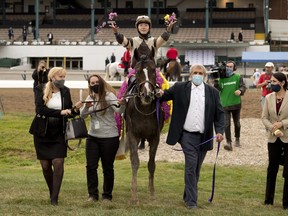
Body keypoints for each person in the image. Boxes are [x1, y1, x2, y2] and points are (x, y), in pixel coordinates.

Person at [160, 64, 225, 209]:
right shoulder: (179, 87)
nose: (197, 75)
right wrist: (157, 92)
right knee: (191, 166)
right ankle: (191, 202)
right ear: (190, 75)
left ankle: (186, 195)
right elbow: (164, 96)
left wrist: (220, 131)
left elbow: (219, 114)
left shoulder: (213, 92)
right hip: (186, 136)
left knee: (196, 169)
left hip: (204, 136)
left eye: (200, 73)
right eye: (195, 72)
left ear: (205, 76)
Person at [31, 67, 83, 205]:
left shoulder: (65, 90)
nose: (63, 79)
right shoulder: (40, 89)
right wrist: (61, 112)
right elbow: (40, 109)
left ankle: (54, 199)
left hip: (59, 132)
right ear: (53, 77)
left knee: (58, 163)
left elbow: (69, 111)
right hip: (42, 132)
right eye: (60, 76)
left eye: (64, 76)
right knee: (46, 166)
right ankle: (52, 191)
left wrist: (76, 109)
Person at [80, 74, 125, 202]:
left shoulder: (109, 96)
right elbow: (83, 116)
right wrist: (86, 107)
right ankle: (92, 195)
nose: (94, 84)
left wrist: (122, 104)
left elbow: (119, 111)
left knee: (107, 167)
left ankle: (107, 195)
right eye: (92, 83)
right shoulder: (90, 97)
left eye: (96, 82)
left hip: (109, 137)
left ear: (101, 81)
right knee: (91, 166)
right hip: (92, 136)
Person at [261, 72, 288, 210]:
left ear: (282, 83)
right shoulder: (268, 97)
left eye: (274, 81)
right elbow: (264, 117)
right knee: (272, 169)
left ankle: (286, 203)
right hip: (273, 137)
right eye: (270, 81)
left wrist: (282, 123)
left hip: (287, 137)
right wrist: (272, 127)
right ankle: (268, 200)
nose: (271, 84)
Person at [110, 15, 176, 68]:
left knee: (164, 84)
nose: (143, 27)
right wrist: (116, 33)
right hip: (135, 72)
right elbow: (123, 41)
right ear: (137, 28)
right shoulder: (133, 41)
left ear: (149, 28)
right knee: (128, 83)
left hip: (151, 73)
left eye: (146, 25)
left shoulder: (154, 41)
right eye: (141, 25)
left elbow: (162, 39)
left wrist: (168, 30)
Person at [216, 61, 246, 151]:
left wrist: (240, 90)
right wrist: (215, 84)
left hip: (236, 104)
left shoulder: (237, 77)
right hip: (224, 105)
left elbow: (243, 86)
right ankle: (229, 142)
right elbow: (218, 90)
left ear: (234, 68)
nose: (228, 68)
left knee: (237, 123)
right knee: (226, 124)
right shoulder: (221, 79)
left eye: (230, 67)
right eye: (227, 66)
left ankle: (237, 138)